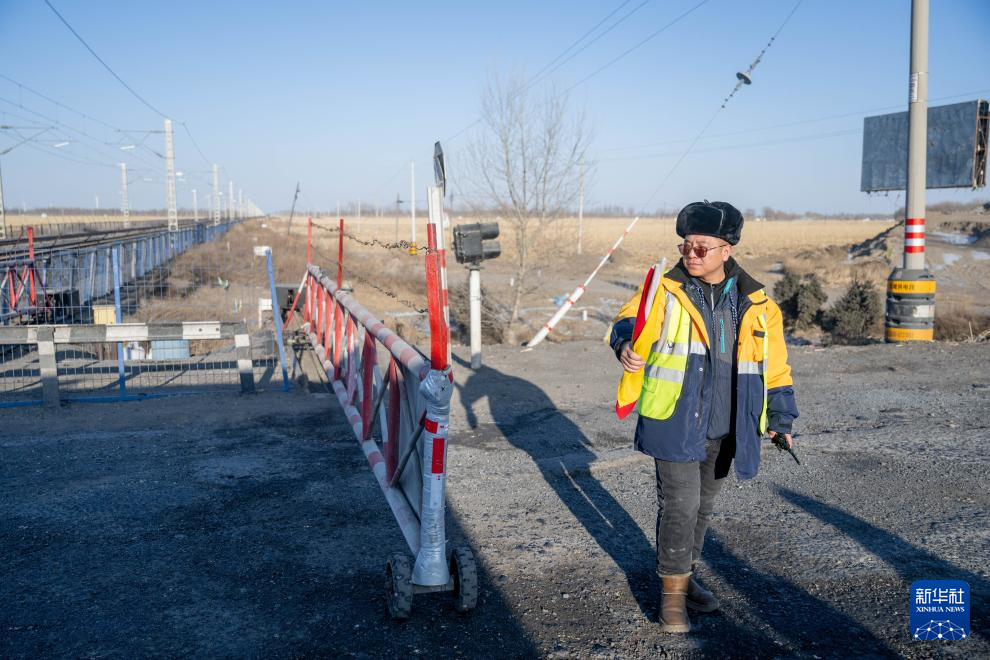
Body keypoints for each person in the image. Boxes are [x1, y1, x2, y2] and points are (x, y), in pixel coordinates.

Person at [609, 200, 798, 633]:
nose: (690, 254)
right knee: (681, 505)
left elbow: (776, 367)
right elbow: (628, 319)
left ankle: (687, 580)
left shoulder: (757, 303)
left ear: (726, 250)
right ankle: (671, 599)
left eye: (701, 248)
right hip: (674, 418)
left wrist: (781, 420)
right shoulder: (665, 290)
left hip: (728, 425)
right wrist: (625, 343)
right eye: (685, 246)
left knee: (702, 508)